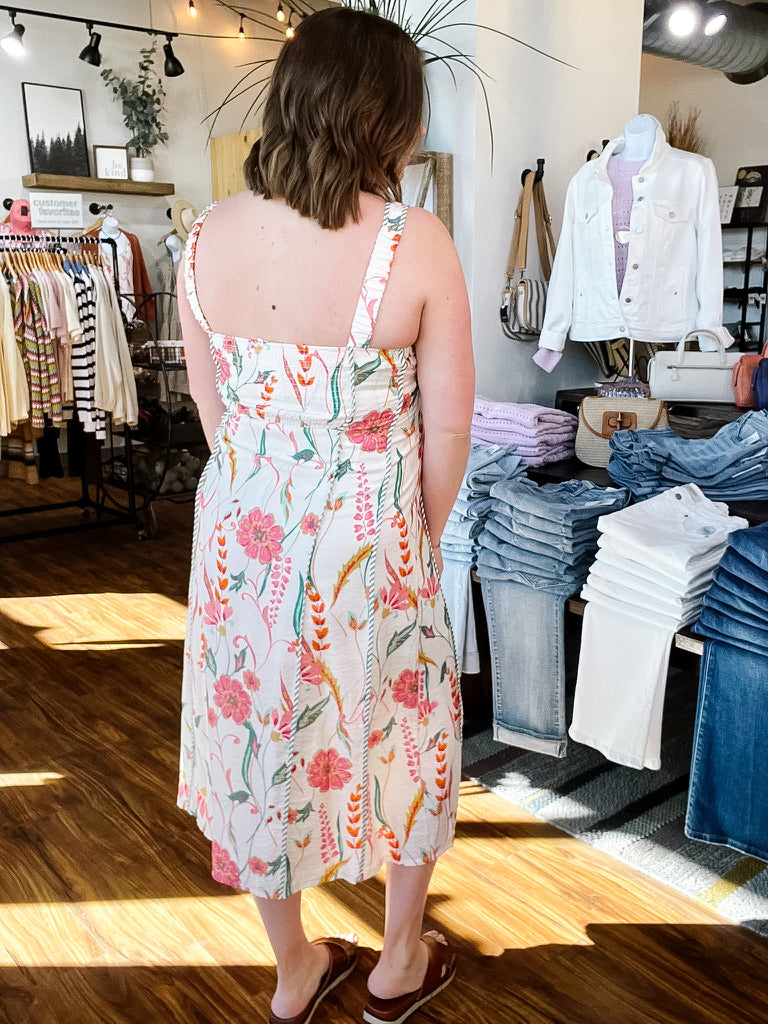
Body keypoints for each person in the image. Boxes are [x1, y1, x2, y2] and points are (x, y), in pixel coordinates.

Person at [177, 8, 474, 1023]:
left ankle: (295, 965)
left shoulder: (206, 236)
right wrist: (407, 543)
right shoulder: (414, 241)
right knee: (405, 735)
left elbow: (216, 418)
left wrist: (267, 503)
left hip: (242, 539)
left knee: (256, 733)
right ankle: (397, 959)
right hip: (372, 536)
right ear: (385, 115)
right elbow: (446, 437)